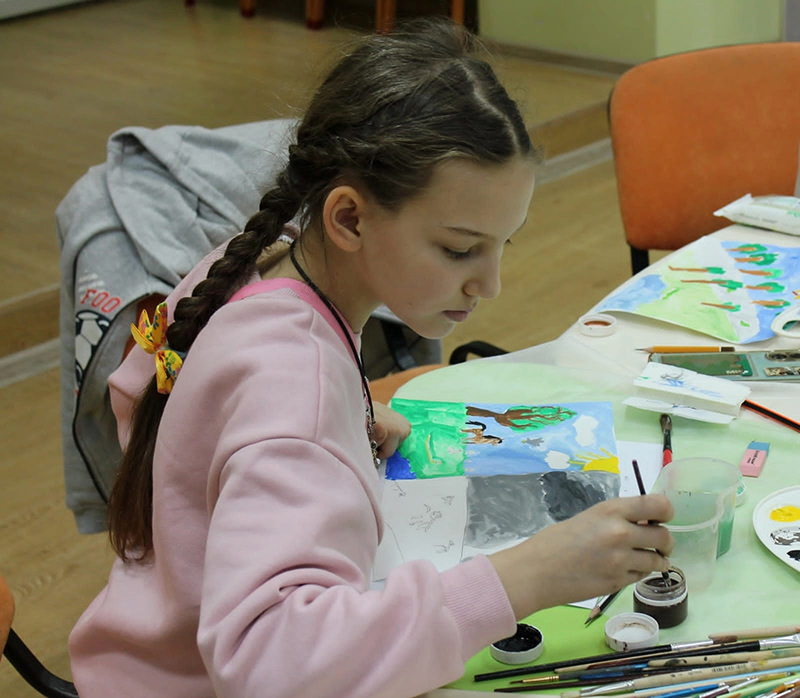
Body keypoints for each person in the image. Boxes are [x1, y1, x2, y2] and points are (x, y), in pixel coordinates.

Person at [69, 18, 674, 698]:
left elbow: (145, 396)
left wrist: (318, 433)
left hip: (138, 647)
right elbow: (271, 667)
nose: (490, 284)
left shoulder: (256, 260)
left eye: (502, 244)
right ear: (350, 218)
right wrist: (525, 577)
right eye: (459, 249)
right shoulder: (295, 385)